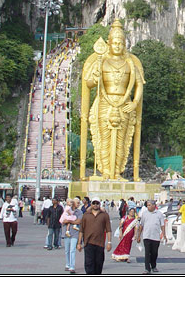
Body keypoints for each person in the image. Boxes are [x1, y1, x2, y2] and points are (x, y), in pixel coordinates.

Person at [80, 20, 145, 181]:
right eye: (114, 43)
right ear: (109, 43)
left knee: (121, 141)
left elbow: (139, 84)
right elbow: (88, 83)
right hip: (104, 103)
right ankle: (105, 172)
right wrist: (95, 79)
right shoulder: (101, 61)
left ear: (124, 45)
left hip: (124, 103)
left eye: (120, 43)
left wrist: (134, 103)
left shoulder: (130, 63)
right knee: (104, 140)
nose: (117, 46)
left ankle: (117, 172)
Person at [77, 199, 112, 274]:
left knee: (99, 264)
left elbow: (108, 229)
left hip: (100, 243)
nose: (95, 205)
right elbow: (81, 230)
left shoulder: (104, 215)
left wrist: (109, 242)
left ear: (99, 204)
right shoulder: (86, 215)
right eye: (94, 203)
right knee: (89, 264)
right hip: (88, 243)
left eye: (97, 203)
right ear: (91, 204)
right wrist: (79, 243)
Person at [137, 200, 166, 274]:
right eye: (147, 205)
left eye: (149, 205)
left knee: (154, 253)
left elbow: (162, 225)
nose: (148, 207)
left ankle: (153, 266)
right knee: (147, 253)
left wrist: (164, 235)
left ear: (154, 205)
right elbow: (141, 225)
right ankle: (147, 268)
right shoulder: (144, 214)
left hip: (156, 236)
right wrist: (138, 236)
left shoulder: (159, 214)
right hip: (146, 236)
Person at [62, 198, 82, 274]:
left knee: (72, 249)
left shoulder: (79, 212)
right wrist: (71, 221)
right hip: (67, 232)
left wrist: (69, 221)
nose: (79, 204)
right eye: (77, 203)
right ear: (73, 203)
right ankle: (68, 264)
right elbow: (63, 220)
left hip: (75, 232)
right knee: (67, 250)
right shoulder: (67, 210)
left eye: (79, 203)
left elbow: (79, 221)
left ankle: (72, 266)